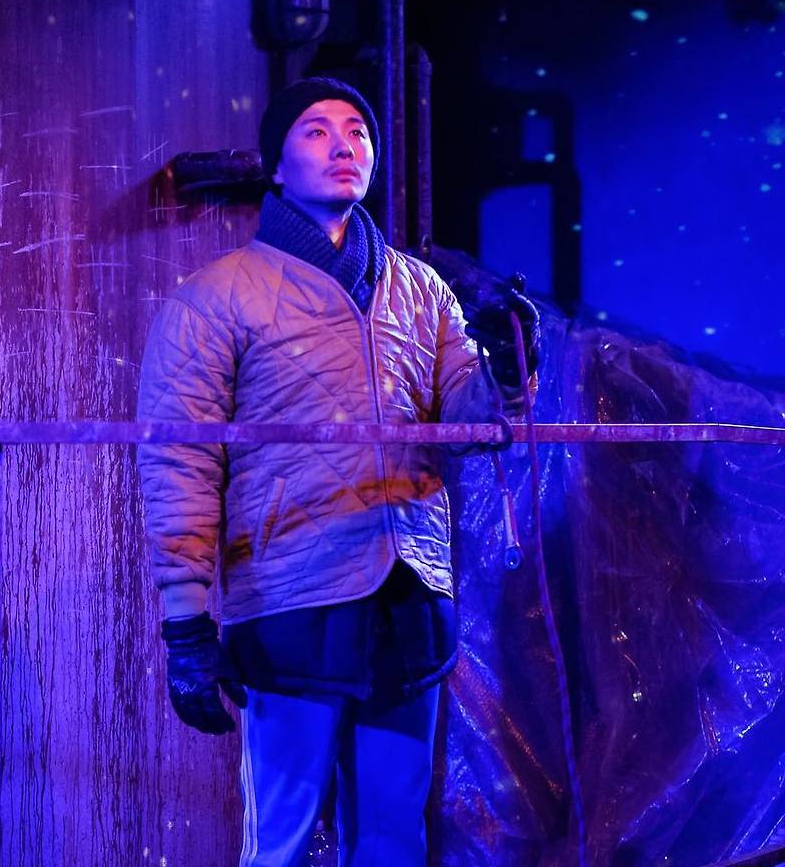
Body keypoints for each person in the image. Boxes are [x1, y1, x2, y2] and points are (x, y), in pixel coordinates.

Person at [135, 77, 539, 866]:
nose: (344, 145)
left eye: (357, 131)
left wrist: (507, 362)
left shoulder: (422, 291)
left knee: (393, 837)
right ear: (275, 165)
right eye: (316, 131)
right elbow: (179, 459)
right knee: (281, 841)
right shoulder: (217, 297)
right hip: (290, 592)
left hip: (408, 594)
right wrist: (185, 622)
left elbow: (475, 424)